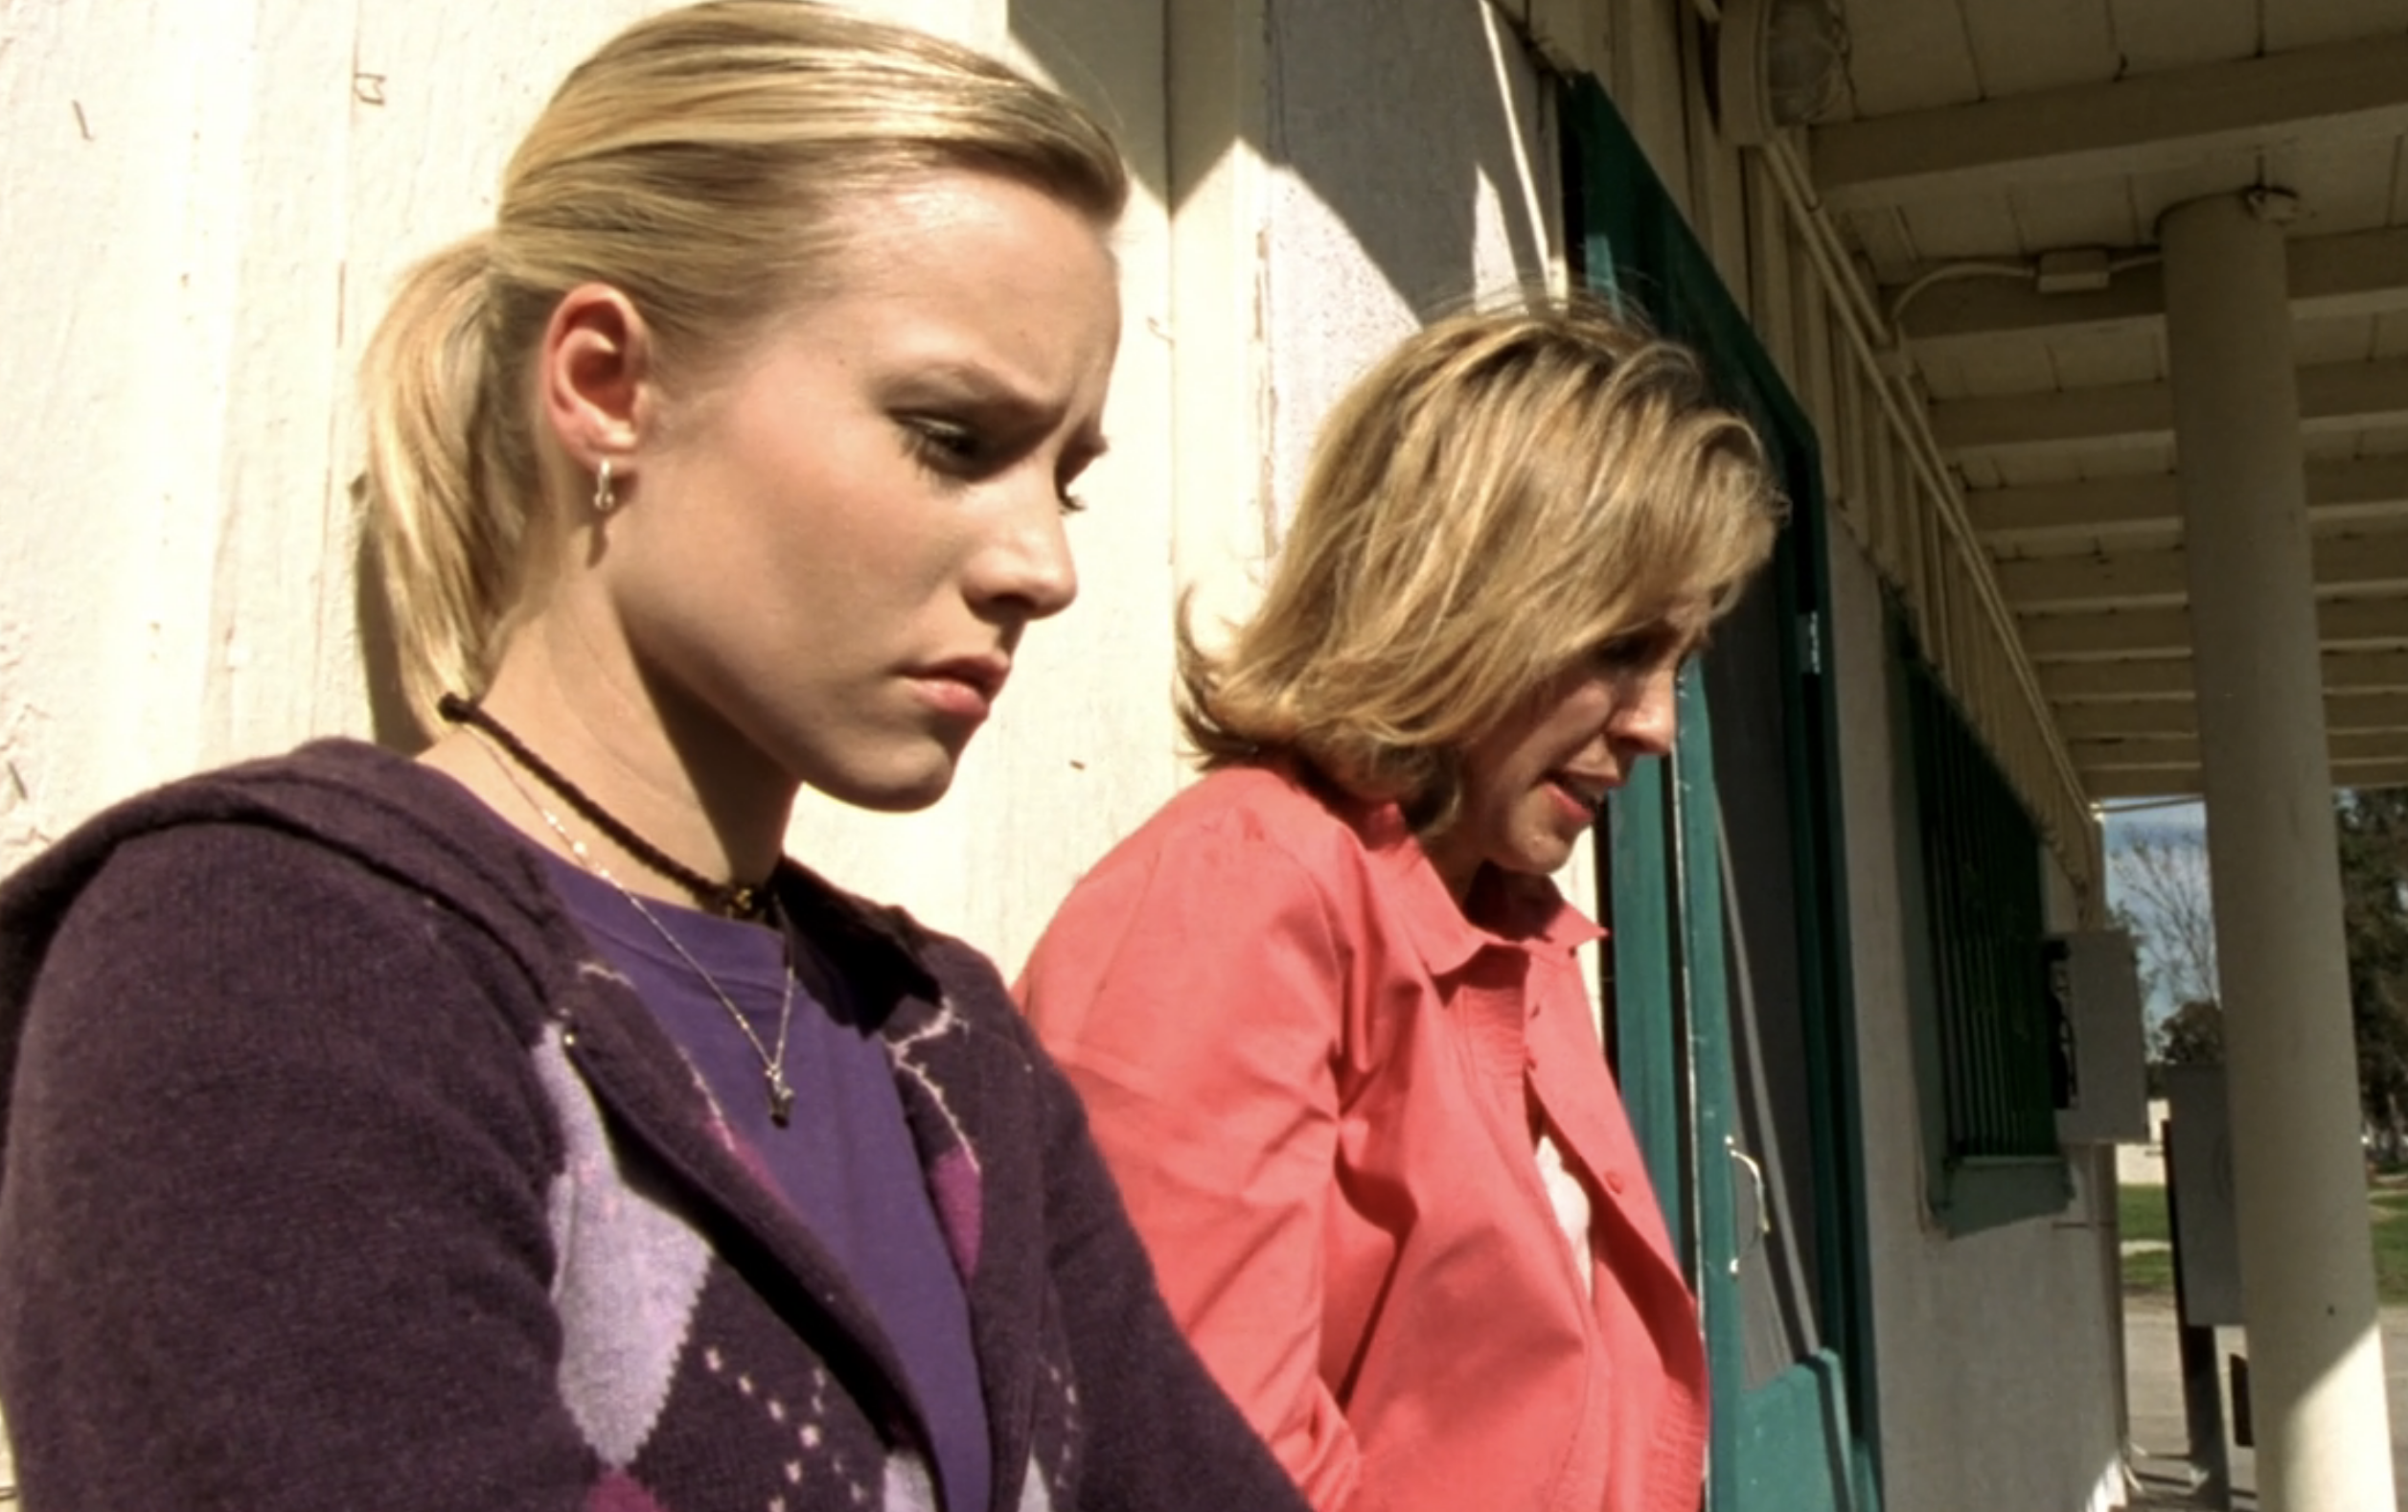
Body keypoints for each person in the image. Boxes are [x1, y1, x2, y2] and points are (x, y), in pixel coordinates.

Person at [0, 6, 1314, 1510]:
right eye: (952, 437)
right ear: (609, 384)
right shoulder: (270, 955)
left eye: (1063, 479)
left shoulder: (947, 1045)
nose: (1041, 564)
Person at [1017, 299, 1782, 1512]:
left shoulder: (1505, 918)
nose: (1651, 726)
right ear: (1459, 598)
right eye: (1618, 649)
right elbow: (1196, 1457)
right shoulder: (1245, 892)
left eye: (1675, 665)